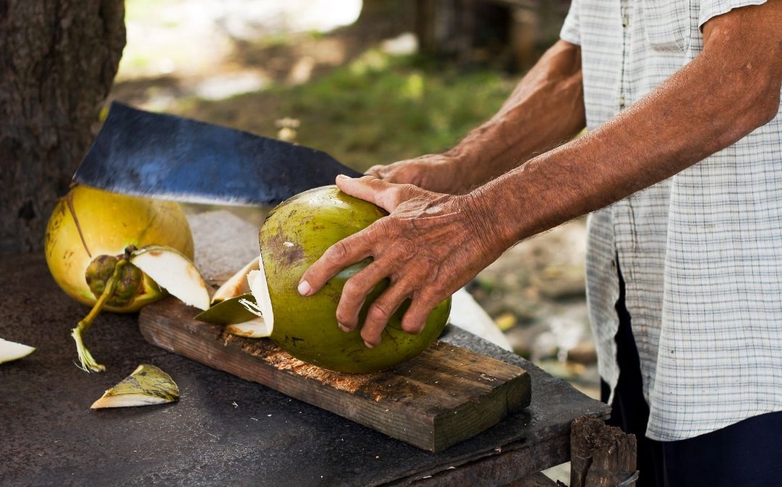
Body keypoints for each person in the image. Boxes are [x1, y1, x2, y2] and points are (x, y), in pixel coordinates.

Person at [298, 1, 782, 485]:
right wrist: (465, 164)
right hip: (643, 307)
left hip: (747, 337)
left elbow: (741, 78)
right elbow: (580, 63)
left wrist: (479, 219)